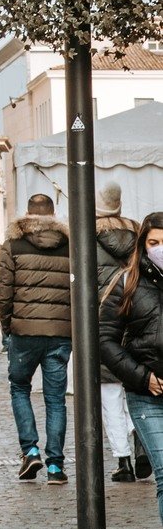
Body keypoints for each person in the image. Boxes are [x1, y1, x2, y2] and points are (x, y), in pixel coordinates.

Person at [0, 192, 72, 483]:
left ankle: (31, 450)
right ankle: (55, 466)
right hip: (60, 334)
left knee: (20, 389)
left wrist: (6, 325)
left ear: (27, 214)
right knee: (55, 399)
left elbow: (1, 289)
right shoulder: (70, 246)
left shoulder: (12, 245)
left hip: (24, 333)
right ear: (53, 214)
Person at [100, 210, 163, 529]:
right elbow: (105, 341)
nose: (160, 250)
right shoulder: (128, 282)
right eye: (153, 243)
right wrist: (142, 377)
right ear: (142, 246)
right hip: (148, 395)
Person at [96, 186, 141, 483]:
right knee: (135, 389)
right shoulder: (138, 233)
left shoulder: (87, 236)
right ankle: (142, 447)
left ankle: (124, 459)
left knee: (109, 393)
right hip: (136, 318)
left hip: (102, 321)